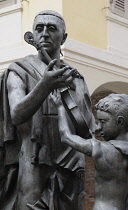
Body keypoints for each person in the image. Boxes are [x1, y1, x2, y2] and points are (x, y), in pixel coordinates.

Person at [0, 10, 95, 210]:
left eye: (52, 28)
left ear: (64, 37)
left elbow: (87, 129)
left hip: (70, 161)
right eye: (39, 28)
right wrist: (44, 85)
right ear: (33, 36)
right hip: (33, 158)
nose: (44, 33)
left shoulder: (76, 78)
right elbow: (16, 114)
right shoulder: (19, 70)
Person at [50, 92, 128, 210]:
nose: (99, 127)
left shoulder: (102, 150)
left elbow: (66, 136)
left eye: (103, 121)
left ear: (119, 122)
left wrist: (60, 107)